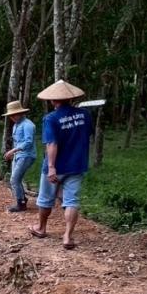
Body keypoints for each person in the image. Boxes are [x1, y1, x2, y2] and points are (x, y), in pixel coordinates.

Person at [30, 80, 93, 250]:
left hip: (57, 166)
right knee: (71, 200)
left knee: (45, 198)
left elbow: (51, 144)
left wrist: (51, 166)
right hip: (77, 164)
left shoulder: (50, 118)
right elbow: (87, 134)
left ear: (53, 100)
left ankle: (41, 228)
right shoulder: (85, 114)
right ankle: (67, 236)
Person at [1, 100, 36, 212]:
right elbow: (17, 141)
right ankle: (22, 200)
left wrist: (13, 150)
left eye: (13, 115)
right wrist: (14, 153)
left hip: (27, 155)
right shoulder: (16, 125)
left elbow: (28, 142)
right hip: (19, 155)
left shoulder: (28, 125)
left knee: (14, 179)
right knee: (16, 179)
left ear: (20, 113)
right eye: (10, 115)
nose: (12, 117)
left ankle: (21, 204)